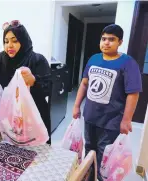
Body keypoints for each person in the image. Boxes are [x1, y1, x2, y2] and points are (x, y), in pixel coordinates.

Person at [72, 24, 142, 180]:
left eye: (112, 39)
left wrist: (126, 119)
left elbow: (133, 93)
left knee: (105, 155)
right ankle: (89, 177)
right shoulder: (94, 59)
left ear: (120, 42)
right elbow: (84, 83)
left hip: (111, 121)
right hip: (90, 116)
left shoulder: (128, 63)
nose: (106, 43)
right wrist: (76, 106)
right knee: (89, 150)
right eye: (103, 39)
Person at [0, 20, 52, 144]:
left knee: (35, 158)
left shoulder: (37, 60)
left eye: (15, 41)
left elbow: (49, 87)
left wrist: (34, 81)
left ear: (24, 41)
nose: (9, 45)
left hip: (32, 122)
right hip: (7, 125)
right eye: (6, 41)